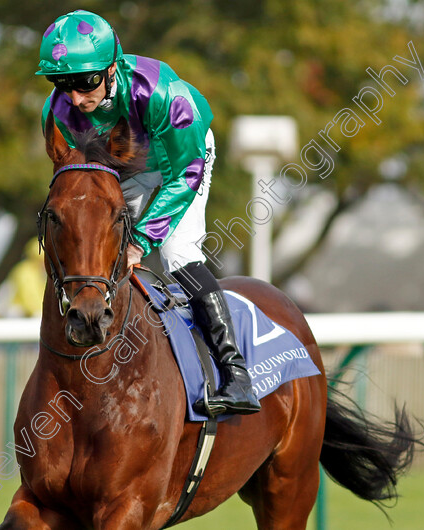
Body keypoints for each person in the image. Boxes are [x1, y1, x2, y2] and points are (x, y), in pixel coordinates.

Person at [36, 10, 260, 416]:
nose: (74, 98)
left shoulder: (163, 94)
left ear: (110, 68)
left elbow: (184, 174)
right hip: (125, 168)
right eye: (61, 84)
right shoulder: (59, 113)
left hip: (183, 162)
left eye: (85, 83)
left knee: (177, 253)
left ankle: (236, 373)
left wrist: (140, 241)